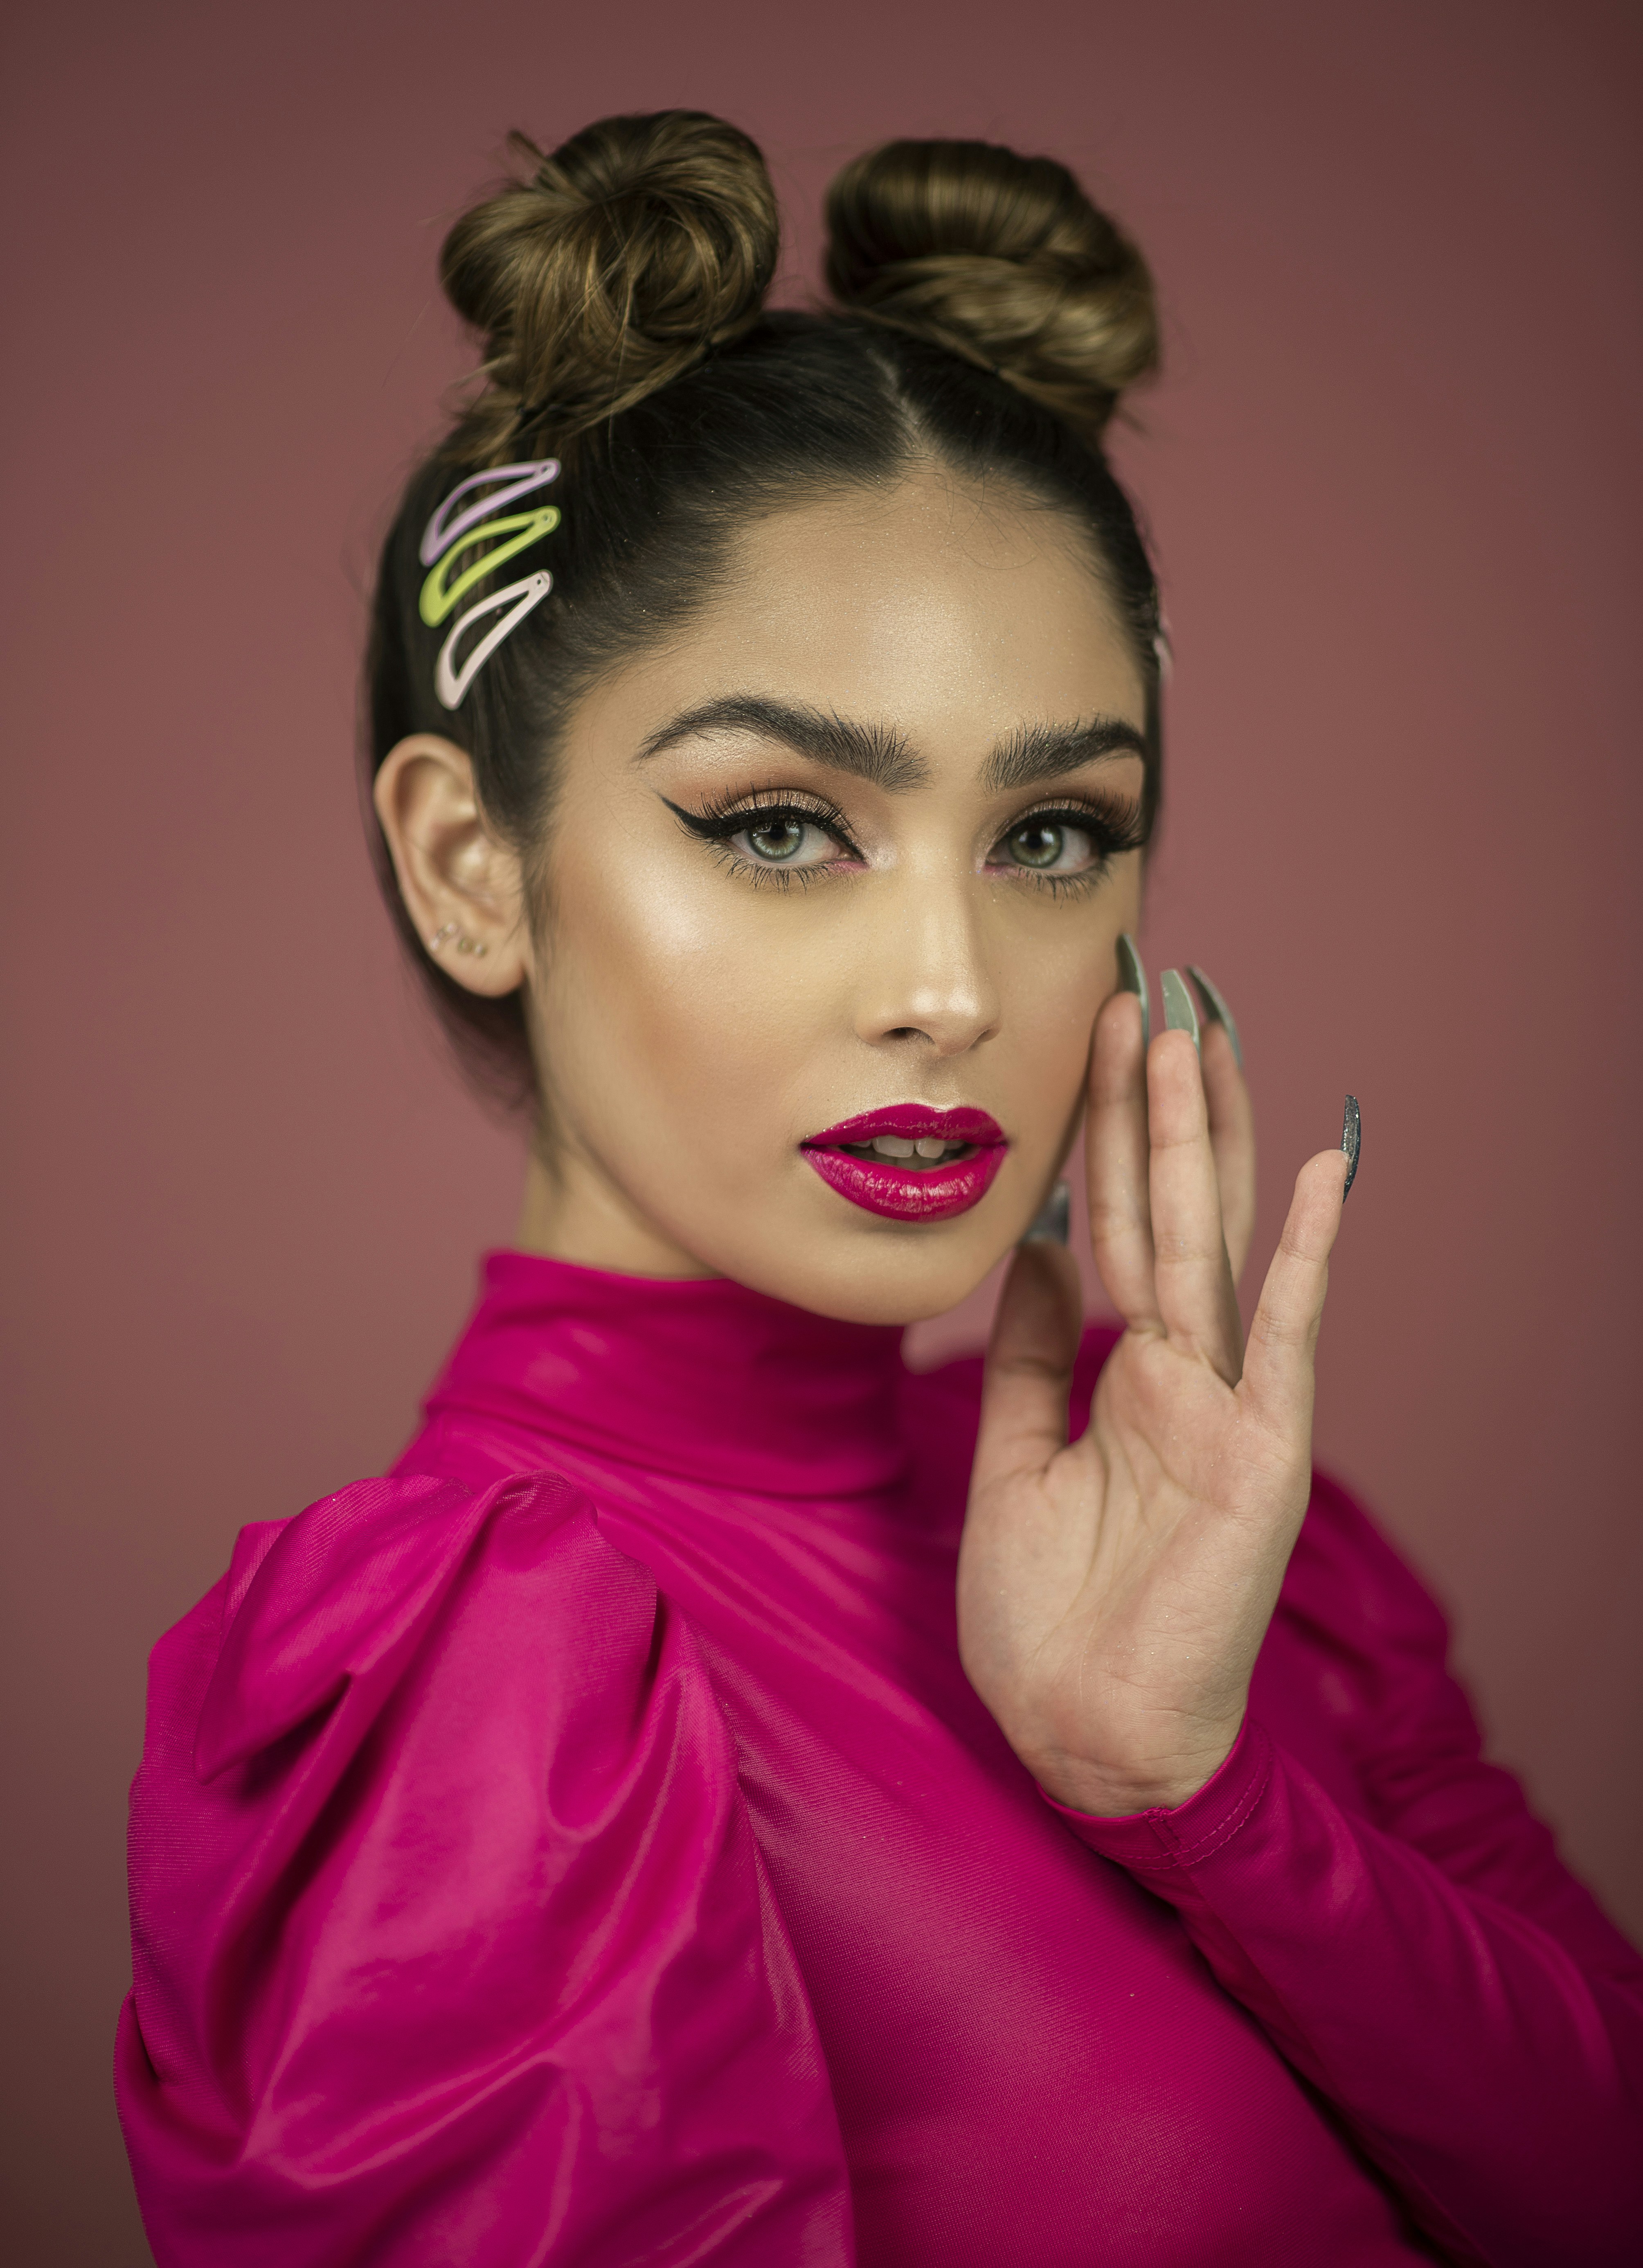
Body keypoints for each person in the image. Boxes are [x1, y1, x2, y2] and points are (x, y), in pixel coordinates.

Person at [115, 111, 1642, 2267]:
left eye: (1049, 835)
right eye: (775, 822)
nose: (949, 985)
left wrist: (1199, 1794)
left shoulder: (1194, 1518)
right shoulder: (487, 1702)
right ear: (476, 863)